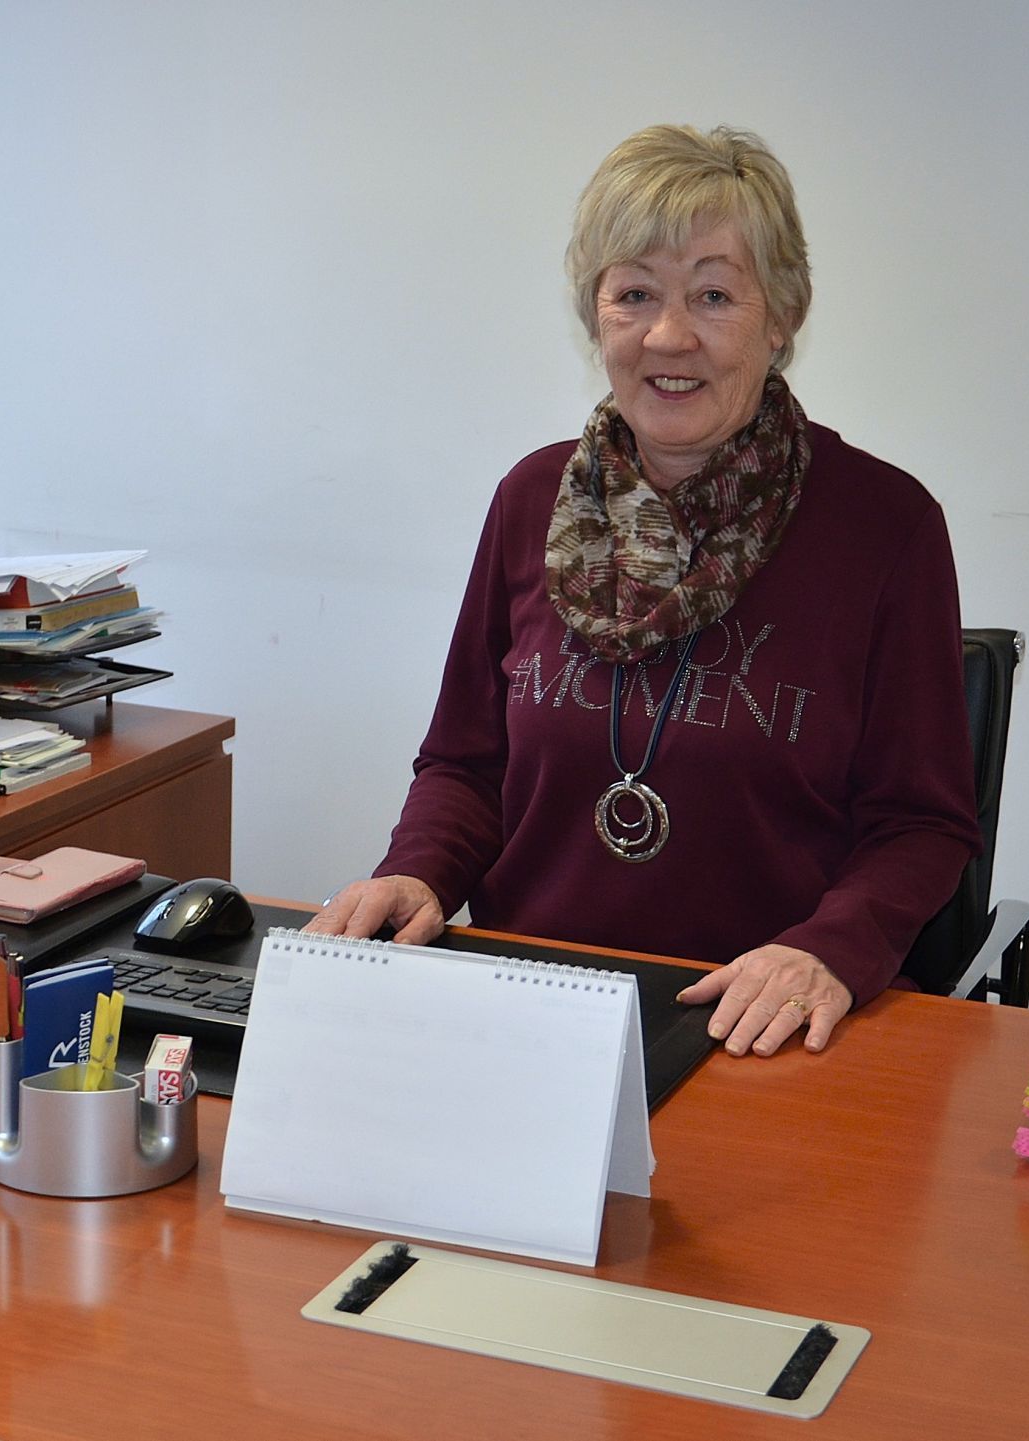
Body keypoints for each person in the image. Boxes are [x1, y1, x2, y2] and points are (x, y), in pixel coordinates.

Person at [306, 124, 979, 1059]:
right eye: (634, 294)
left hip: (761, 1026)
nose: (670, 335)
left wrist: (825, 950)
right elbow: (468, 766)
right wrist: (417, 874)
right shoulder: (530, 500)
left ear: (782, 316)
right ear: (596, 316)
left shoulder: (887, 527)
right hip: (524, 1003)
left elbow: (922, 825)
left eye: (713, 294)